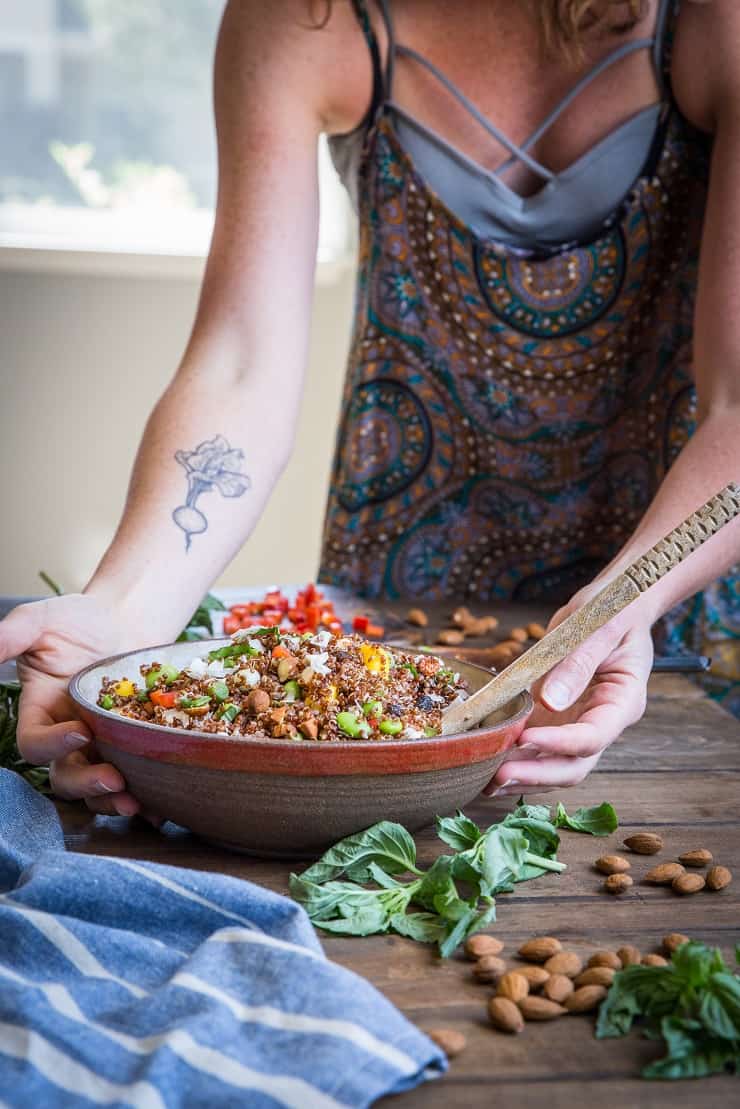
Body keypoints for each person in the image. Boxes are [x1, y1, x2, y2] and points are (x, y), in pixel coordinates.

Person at [1, 0, 738, 819]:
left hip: (669, 606)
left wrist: (614, 614)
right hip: (401, 589)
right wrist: (123, 608)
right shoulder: (307, 18)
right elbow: (241, 367)